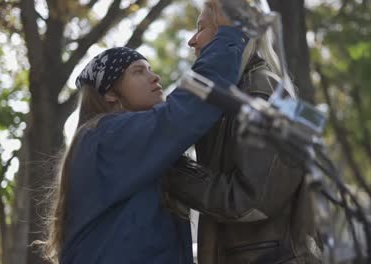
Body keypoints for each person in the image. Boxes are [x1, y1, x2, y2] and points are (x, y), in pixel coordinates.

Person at [39, 4, 247, 263]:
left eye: (149, 69)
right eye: (138, 71)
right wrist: (229, 34)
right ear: (110, 94)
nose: (155, 77)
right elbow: (186, 111)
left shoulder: (122, 139)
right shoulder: (107, 136)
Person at [163, 2, 323, 263]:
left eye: (201, 28)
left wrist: (170, 169)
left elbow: (249, 201)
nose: (192, 41)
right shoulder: (240, 92)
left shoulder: (259, 91)